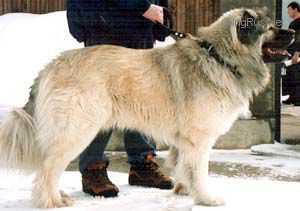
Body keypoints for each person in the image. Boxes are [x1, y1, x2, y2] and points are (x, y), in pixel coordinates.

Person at [66, 0, 173, 198]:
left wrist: (162, 18)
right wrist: (144, 7)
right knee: (101, 103)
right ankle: (93, 167)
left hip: (139, 33)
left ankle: (142, 164)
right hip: (105, 28)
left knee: (142, 102)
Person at [283, 1, 300, 106]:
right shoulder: (293, 23)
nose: (288, 13)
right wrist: (285, 50)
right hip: (291, 53)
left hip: (297, 53)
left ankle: (298, 98)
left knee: (297, 75)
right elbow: (290, 39)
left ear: (295, 9)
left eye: (289, 10)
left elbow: (299, 39)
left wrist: (297, 53)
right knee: (290, 75)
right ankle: (292, 97)